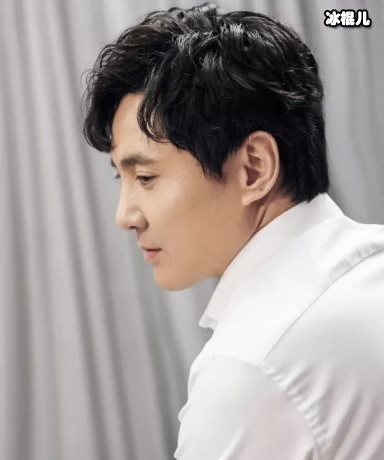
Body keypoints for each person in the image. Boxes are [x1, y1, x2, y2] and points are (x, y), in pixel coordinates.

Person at [81, 3, 384, 458]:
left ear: (254, 168)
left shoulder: (250, 368)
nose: (125, 216)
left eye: (145, 177)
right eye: (120, 179)